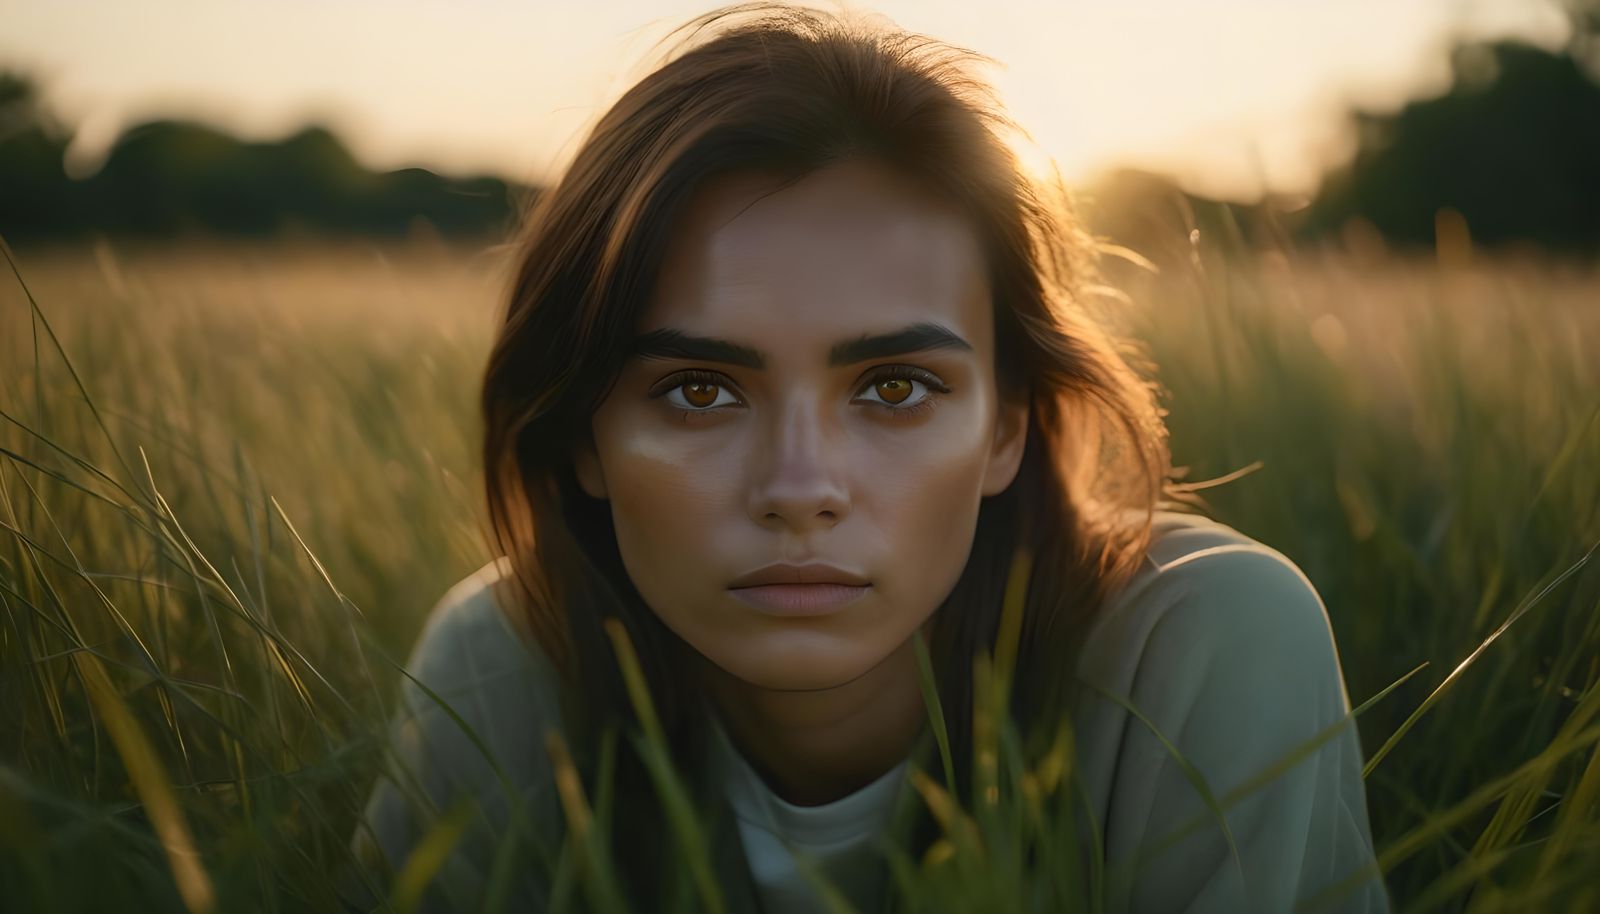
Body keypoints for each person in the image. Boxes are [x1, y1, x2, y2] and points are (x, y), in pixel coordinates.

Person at [345, 4, 1389, 912]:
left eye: (894, 388)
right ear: (585, 435)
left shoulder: (1204, 643)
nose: (801, 488)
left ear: (1006, 426)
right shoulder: (503, 669)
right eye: (699, 390)